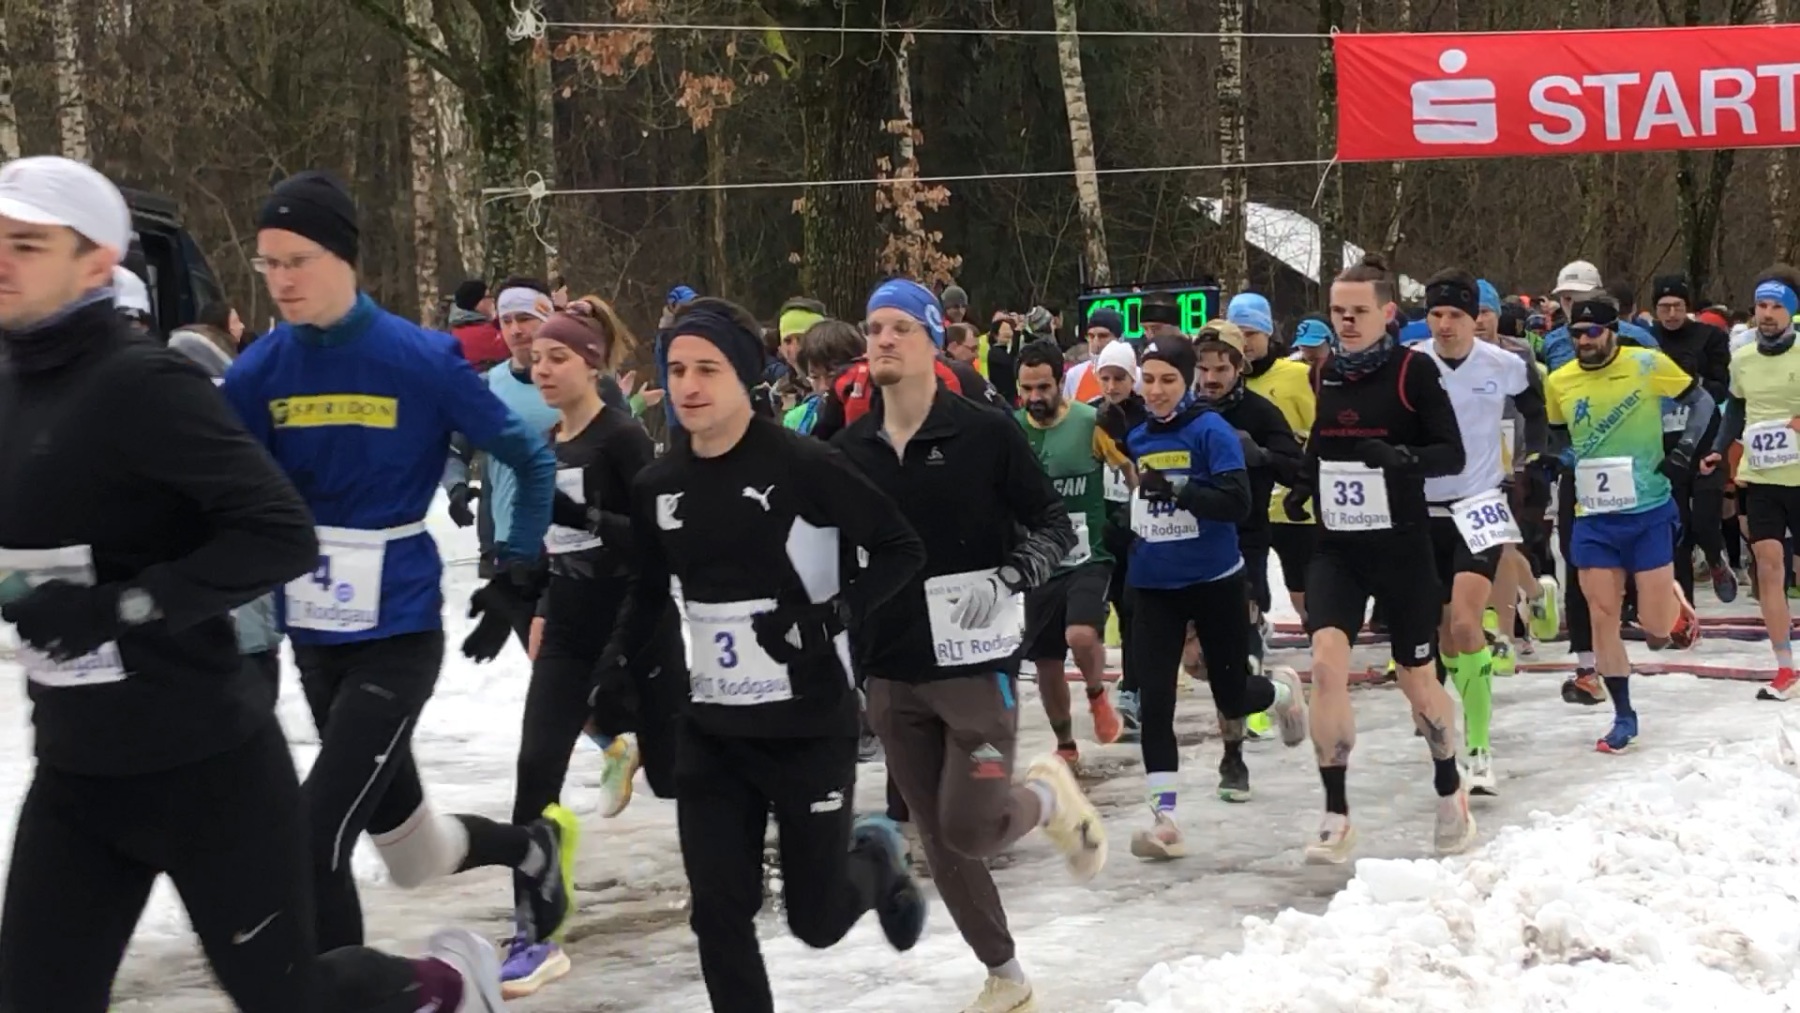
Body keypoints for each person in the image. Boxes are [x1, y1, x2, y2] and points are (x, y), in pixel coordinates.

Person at [0, 154, 509, 1013]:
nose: (2, 261)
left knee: (289, 998)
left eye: (27, 244)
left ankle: (445, 987)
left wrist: (120, 605)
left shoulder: (144, 385)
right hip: (76, 768)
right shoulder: (10, 389)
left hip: (205, 768)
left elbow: (277, 533)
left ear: (95, 262)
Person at [222, 171, 568, 955]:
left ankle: (350, 996)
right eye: (269, 263)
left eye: (298, 260)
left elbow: (529, 457)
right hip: (315, 638)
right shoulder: (256, 375)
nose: (281, 280)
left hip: (398, 635)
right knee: (412, 854)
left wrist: (517, 568)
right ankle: (531, 847)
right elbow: (225, 497)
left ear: (344, 256)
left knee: (314, 837)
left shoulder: (419, 358)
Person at [598, 296, 930, 1013]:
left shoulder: (804, 464)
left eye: (707, 369)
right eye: (677, 370)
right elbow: (648, 594)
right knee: (719, 914)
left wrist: (831, 616)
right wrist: (617, 669)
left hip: (807, 725)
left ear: (744, 375)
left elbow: (901, 548)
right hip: (714, 732)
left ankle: (874, 862)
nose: (688, 385)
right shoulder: (659, 485)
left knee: (816, 920)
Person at [833, 279, 1106, 1013]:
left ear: (934, 341)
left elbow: (1054, 526)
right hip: (891, 671)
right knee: (939, 836)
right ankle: (1006, 974)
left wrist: (1012, 574)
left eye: (899, 327)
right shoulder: (848, 450)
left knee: (972, 825)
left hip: (975, 665)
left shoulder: (985, 434)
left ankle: (1045, 795)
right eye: (873, 327)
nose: (882, 339)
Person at [1284, 254, 1474, 864]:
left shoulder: (1413, 371)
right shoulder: (1325, 372)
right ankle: (1336, 813)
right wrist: (1303, 481)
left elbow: (1452, 453)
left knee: (1417, 679)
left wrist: (1402, 459)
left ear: (1387, 313)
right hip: (1338, 546)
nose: (1346, 322)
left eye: (1358, 312)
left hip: (1401, 547)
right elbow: (1322, 441)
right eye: (1337, 312)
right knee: (1325, 662)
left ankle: (1449, 783)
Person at [1113, 333, 1309, 857]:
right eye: (1148, 380)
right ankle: (1165, 820)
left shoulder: (1211, 431)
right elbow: (1135, 502)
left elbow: (1236, 503)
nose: (1156, 391)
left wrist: (1179, 489)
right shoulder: (1136, 435)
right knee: (1156, 701)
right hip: (1154, 586)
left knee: (1232, 697)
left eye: (1167, 380)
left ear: (1188, 380)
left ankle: (1280, 692)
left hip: (1215, 581)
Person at [1545, 296, 1712, 753]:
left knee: (1656, 629)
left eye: (1591, 333)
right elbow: (1559, 435)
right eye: (1575, 334)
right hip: (1594, 517)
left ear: (1612, 332)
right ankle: (1623, 715)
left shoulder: (1646, 364)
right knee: (1604, 614)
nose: (1582, 341)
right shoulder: (1559, 380)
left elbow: (1702, 402)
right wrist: (1557, 458)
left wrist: (1684, 451)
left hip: (1648, 511)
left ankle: (1673, 607)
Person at [1416, 269, 1544, 796]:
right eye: (1436, 314)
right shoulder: (1412, 363)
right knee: (1445, 633)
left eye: (1456, 315)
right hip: (1424, 509)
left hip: (1480, 503)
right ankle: (1459, 706)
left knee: (1469, 625)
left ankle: (1479, 748)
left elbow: (1534, 409)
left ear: (1476, 319)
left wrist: (1534, 457)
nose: (1445, 325)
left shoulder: (1504, 364)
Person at [1193, 321, 1307, 797]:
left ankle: (1233, 759)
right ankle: (1276, 691)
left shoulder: (1259, 411)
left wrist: (1258, 454)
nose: (1210, 378)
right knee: (1197, 661)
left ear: (1240, 368)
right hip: (1189, 546)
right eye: (1203, 369)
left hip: (1245, 540)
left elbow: (1296, 465)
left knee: (1235, 654)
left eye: (1221, 369)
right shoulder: (1182, 411)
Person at [1013, 339, 1125, 766]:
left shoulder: (1088, 422)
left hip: (1087, 554)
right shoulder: (1011, 430)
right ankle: (1065, 742)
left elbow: (1127, 469)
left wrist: (1133, 512)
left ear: (1061, 382)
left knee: (1079, 634)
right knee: (1046, 662)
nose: (1035, 397)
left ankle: (1096, 693)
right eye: (1027, 389)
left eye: (1043, 387)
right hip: (1039, 560)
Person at [1716, 267, 1800, 699]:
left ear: (1792, 311)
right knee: (1769, 567)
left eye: (1776, 306)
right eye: (1761, 306)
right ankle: (1785, 668)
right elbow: (1735, 407)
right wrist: (1718, 448)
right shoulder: (1743, 357)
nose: (1766, 314)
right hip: (1762, 476)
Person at [1648, 274, 1736, 602]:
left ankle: (1715, 559)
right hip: (1665, 444)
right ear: (1654, 309)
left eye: (1678, 306)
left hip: (1705, 442)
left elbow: (1721, 387)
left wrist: (1692, 383)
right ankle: (1683, 607)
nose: (1671, 314)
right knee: (1678, 529)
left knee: (1705, 520)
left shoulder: (1709, 336)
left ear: (1688, 307)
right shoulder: (1647, 340)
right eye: (1664, 307)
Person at [1243, 295, 1318, 623]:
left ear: (1267, 333)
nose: (1244, 343)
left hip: (1293, 503)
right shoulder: (1225, 381)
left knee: (1302, 592)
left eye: (1251, 334)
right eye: (1238, 334)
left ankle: (1320, 638)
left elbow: (1321, 429)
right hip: (1247, 506)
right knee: (1248, 592)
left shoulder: (1296, 374)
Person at [1087, 340, 1147, 741]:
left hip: (1137, 526)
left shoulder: (1144, 415)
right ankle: (1104, 695)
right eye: (1105, 378)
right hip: (1100, 524)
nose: (1112, 386)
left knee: (1131, 610)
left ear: (1132, 378)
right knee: (1095, 612)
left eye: (1120, 378)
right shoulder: (1090, 414)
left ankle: (1133, 688)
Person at [1061, 306, 1124, 404]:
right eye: (1091, 336)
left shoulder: (1135, 375)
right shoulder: (1074, 375)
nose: (1096, 342)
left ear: (1119, 339)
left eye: (1103, 336)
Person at [450, 278, 507, 369]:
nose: (493, 300)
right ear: (477, 302)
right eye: (488, 296)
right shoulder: (485, 335)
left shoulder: (455, 331)